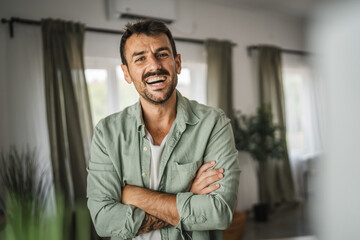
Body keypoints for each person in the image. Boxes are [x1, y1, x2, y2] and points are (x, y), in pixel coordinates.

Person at [87, 19, 240, 240]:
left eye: (162, 54)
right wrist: (189, 196)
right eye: (140, 58)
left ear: (177, 63)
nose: (154, 66)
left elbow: (219, 212)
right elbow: (103, 221)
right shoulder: (107, 133)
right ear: (126, 73)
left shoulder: (213, 124)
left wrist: (134, 196)